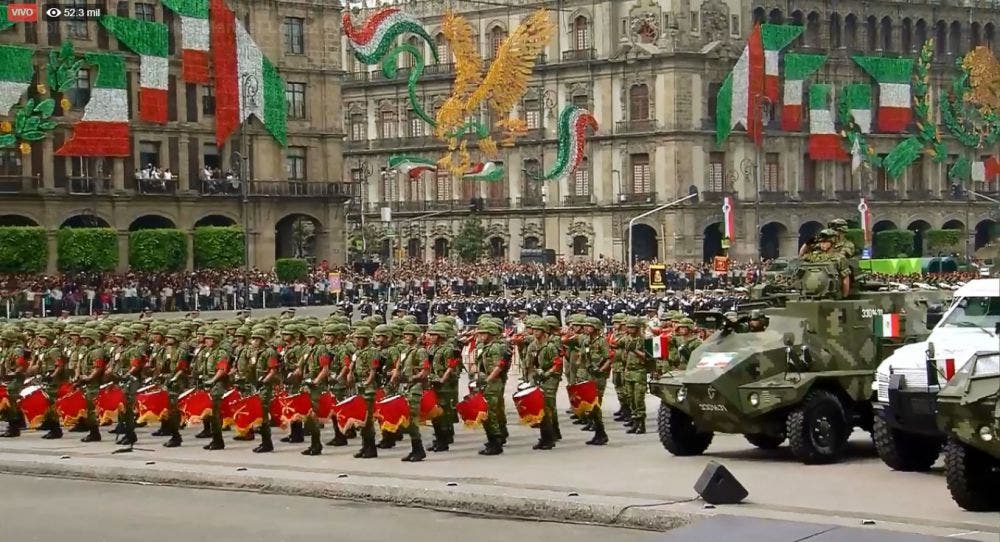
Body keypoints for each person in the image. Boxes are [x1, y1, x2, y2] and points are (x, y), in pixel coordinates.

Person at [397, 324, 430, 461]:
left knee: (412, 419)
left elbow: (425, 371)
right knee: (408, 420)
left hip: (415, 387)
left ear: (416, 336)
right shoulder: (406, 350)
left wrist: (411, 378)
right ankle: (416, 449)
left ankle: (419, 450)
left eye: (409, 335)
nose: (406, 337)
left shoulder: (420, 351)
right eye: (405, 334)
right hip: (405, 387)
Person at [347, 326, 379, 459]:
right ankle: (364, 446)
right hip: (359, 387)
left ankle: (371, 448)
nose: (356, 340)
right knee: (361, 419)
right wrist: (350, 373)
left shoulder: (372, 352)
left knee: (368, 420)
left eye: (358, 338)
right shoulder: (357, 352)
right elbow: (352, 366)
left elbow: (373, 370)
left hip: (368, 389)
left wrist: (367, 383)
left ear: (364, 339)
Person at [474, 321, 505, 455]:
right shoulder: (486, 346)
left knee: (490, 413)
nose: (480, 335)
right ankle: (491, 440)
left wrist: (487, 380)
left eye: (483, 333)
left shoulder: (495, 347)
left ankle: (496, 443)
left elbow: (499, 366)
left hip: (492, 383)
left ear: (491, 333)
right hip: (486, 381)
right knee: (486, 412)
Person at [300, 327, 330, 456]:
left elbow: (325, 369)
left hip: (316, 387)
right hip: (307, 384)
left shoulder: (321, 350)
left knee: (314, 416)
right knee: (308, 415)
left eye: (311, 337)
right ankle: (313, 444)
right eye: (307, 337)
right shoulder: (307, 349)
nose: (308, 339)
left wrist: (316, 381)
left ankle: (316, 445)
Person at [583, 317, 610, 446]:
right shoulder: (586, 341)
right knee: (591, 405)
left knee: (596, 404)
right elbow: (584, 357)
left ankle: (601, 433)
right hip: (590, 375)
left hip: (599, 376)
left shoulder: (602, 341)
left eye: (589, 326)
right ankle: (599, 433)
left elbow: (609, 358)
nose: (587, 328)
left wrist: (600, 369)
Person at [803, 229, 850, 298]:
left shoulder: (839, 258)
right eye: (821, 242)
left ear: (833, 242)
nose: (822, 244)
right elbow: (801, 255)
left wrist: (844, 296)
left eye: (825, 242)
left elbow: (845, 279)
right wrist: (807, 243)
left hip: (833, 294)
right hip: (813, 292)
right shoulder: (814, 256)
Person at [622, 317, 648, 434]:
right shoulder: (627, 339)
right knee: (630, 398)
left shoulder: (644, 340)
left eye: (632, 327)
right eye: (628, 327)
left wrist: (636, 351)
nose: (630, 329)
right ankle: (635, 422)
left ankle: (641, 423)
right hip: (629, 372)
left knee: (638, 399)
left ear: (637, 328)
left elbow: (649, 358)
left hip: (639, 372)